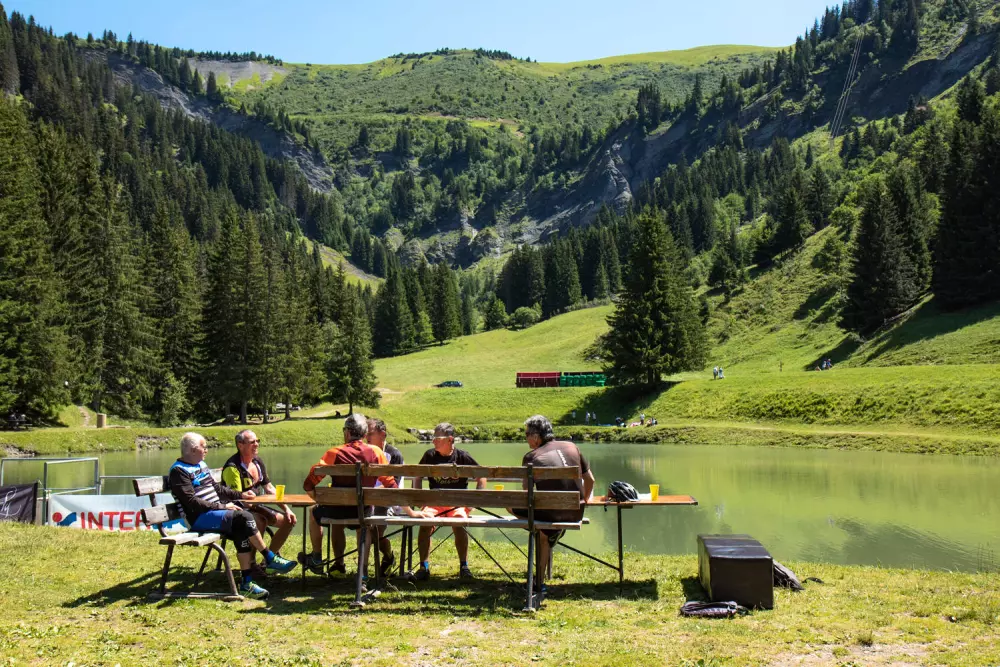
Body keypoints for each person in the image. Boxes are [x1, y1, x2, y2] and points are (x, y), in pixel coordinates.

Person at [168, 432, 297, 600]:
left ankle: (246, 583)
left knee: (241, 529)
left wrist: (241, 495)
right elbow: (191, 502)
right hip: (199, 518)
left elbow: (218, 489)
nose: (206, 450)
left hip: (214, 513)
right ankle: (269, 558)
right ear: (193, 450)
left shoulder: (201, 465)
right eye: (203, 447)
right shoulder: (178, 471)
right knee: (245, 517)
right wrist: (223, 506)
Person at [302, 414, 398, 578]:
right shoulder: (375, 452)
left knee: (313, 511)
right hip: (364, 511)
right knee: (364, 524)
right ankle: (363, 573)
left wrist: (319, 499)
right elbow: (391, 485)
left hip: (337, 512)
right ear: (364, 434)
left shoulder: (334, 453)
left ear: (347, 433)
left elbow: (309, 483)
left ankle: (317, 557)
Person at [513, 415, 595, 595]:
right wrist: (585, 501)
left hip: (550, 514)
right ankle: (549, 532)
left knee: (511, 507)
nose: (526, 438)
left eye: (526, 434)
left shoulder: (531, 457)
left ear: (536, 436)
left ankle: (544, 533)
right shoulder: (572, 447)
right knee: (544, 529)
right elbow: (590, 480)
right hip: (575, 512)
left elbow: (526, 493)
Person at [412, 422, 486, 581]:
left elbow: (482, 476)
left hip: (457, 504)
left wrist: (473, 503)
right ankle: (424, 567)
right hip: (434, 503)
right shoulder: (429, 455)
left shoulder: (462, 456)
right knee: (424, 522)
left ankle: (464, 566)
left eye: (437, 438)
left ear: (450, 439)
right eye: (434, 437)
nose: (433, 441)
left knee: (459, 522)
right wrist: (420, 501)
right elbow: (417, 476)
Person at [221, 430, 297, 579]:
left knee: (289, 520)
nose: (256, 444)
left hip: (255, 507)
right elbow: (238, 499)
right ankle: (251, 565)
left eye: (257, 441)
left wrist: (287, 509)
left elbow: (269, 488)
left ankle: (269, 562)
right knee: (259, 520)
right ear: (240, 445)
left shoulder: (257, 461)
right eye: (252, 442)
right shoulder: (232, 467)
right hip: (236, 511)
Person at [365, 417, 419, 578]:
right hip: (368, 501)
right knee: (366, 530)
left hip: (390, 502)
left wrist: (368, 493)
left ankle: (387, 558)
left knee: (372, 532)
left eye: (370, 433)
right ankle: (385, 559)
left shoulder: (394, 454)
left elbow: (392, 486)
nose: (366, 437)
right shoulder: (365, 453)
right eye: (365, 433)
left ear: (382, 434)